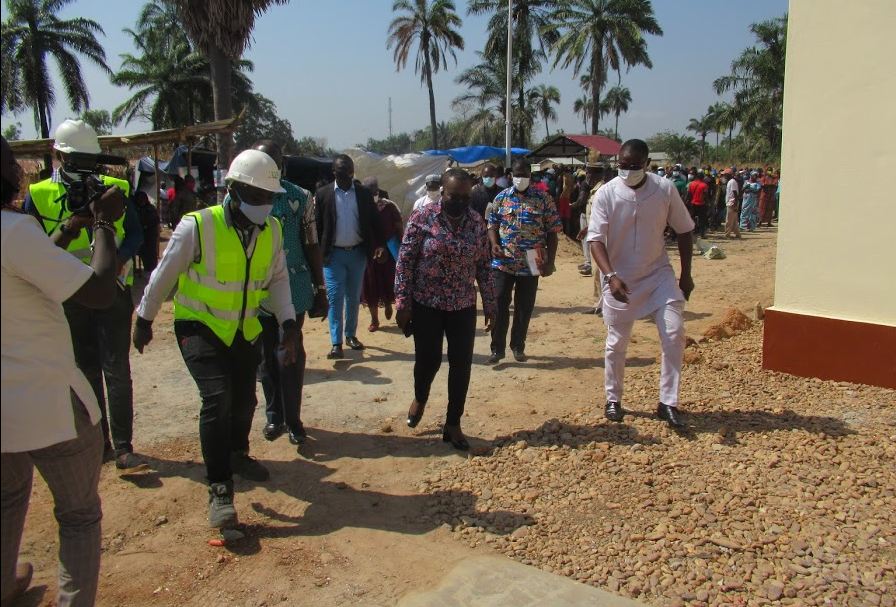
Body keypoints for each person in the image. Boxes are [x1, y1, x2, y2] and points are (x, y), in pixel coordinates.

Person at [132, 149, 298, 528]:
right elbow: (163, 275)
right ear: (234, 189)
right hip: (199, 326)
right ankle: (220, 487)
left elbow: (278, 280)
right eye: (256, 197)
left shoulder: (270, 230)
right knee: (217, 398)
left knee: (244, 401)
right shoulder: (198, 226)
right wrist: (144, 317)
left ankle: (238, 453)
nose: (264, 205)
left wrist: (289, 324)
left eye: (269, 198)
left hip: (242, 329)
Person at [2, 135, 125, 607]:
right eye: (10, 160)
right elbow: (97, 292)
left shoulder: (17, 234)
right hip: (48, 399)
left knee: (8, 499)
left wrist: (70, 227)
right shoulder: (13, 230)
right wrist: (101, 225)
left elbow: (33, 270)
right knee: (77, 515)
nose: (19, 167)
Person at [23, 119, 146, 471]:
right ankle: (100, 444)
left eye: (90, 159)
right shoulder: (39, 194)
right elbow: (33, 247)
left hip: (112, 291)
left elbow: (136, 234)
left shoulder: (115, 187)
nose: (85, 167)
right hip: (69, 295)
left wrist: (119, 263)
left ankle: (123, 447)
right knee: (84, 370)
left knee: (117, 369)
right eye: (77, 159)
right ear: (58, 155)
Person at [587, 139, 695, 428]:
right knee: (617, 343)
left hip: (658, 275)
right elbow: (595, 240)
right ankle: (613, 399)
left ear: (647, 165)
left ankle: (668, 401)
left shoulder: (664, 189)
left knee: (673, 334)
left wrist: (686, 275)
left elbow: (685, 231)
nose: (627, 171)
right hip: (618, 278)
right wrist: (610, 277)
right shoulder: (607, 194)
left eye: (634, 166)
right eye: (622, 165)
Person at [395, 168, 496, 451]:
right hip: (427, 303)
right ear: (443, 192)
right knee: (428, 361)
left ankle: (453, 423)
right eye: (454, 196)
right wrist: (402, 303)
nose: (460, 202)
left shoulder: (476, 223)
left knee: (461, 365)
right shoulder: (423, 217)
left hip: (462, 305)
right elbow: (405, 261)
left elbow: (484, 266)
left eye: (466, 197)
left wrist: (490, 303)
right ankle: (420, 396)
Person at [251, 140, 327, 446]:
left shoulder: (300, 197)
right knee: (266, 355)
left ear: (281, 164)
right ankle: (274, 415)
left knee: (290, 351)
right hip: (255, 288)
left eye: (274, 160)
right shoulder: (244, 195)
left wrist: (320, 289)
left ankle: (294, 419)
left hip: (293, 284)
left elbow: (311, 244)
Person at [486, 157, 561, 364]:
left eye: (524, 175)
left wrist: (550, 262)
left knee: (524, 307)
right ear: (511, 176)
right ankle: (497, 349)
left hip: (531, 262)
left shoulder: (543, 199)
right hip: (504, 261)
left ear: (531, 176)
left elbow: (553, 232)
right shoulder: (501, 198)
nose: (521, 179)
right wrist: (494, 244)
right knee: (500, 304)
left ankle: (518, 346)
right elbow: (492, 226)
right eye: (517, 175)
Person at [314, 154, 385, 359]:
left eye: (349, 171)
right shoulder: (323, 194)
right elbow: (317, 226)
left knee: (353, 297)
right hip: (333, 255)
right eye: (341, 172)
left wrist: (379, 244)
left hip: (357, 253)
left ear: (353, 171)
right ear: (334, 173)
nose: (345, 175)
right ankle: (336, 343)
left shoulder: (363, 194)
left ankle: (351, 335)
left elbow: (374, 221)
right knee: (335, 297)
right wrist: (318, 253)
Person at [360, 177, 403, 332]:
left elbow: (398, 227)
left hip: (388, 252)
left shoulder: (389, 206)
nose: (371, 192)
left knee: (389, 282)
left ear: (377, 190)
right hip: (368, 254)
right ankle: (374, 319)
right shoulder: (359, 206)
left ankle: (388, 305)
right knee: (370, 285)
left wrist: (399, 248)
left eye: (373, 189)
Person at [576, 162, 606, 314]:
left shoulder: (602, 191)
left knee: (600, 271)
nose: (587, 176)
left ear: (597, 174)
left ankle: (604, 305)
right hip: (594, 235)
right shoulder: (594, 190)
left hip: (602, 238)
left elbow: (604, 217)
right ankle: (599, 304)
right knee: (596, 271)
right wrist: (587, 229)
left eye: (590, 173)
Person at [134, 190, 160, 274]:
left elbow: (155, 221)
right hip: (141, 235)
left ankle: (151, 270)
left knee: (151, 254)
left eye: (143, 199)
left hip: (150, 235)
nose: (141, 201)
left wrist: (146, 226)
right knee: (143, 253)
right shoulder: (135, 209)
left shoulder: (150, 208)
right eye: (139, 199)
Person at [686, 170, 710, 238]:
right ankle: (702, 234)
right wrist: (708, 203)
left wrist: (687, 202)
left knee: (692, 219)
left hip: (692, 204)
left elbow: (688, 194)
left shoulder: (691, 184)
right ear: (702, 178)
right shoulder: (704, 185)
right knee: (702, 219)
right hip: (701, 204)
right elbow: (705, 195)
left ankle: (691, 233)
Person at [722, 168, 741, 238]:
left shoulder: (732, 182)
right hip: (732, 202)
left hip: (732, 203)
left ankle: (727, 234)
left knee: (729, 220)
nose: (724, 176)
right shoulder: (731, 181)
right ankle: (738, 234)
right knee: (734, 221)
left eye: (725, 175)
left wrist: (735, 203)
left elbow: (735, 193)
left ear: (728, 175)